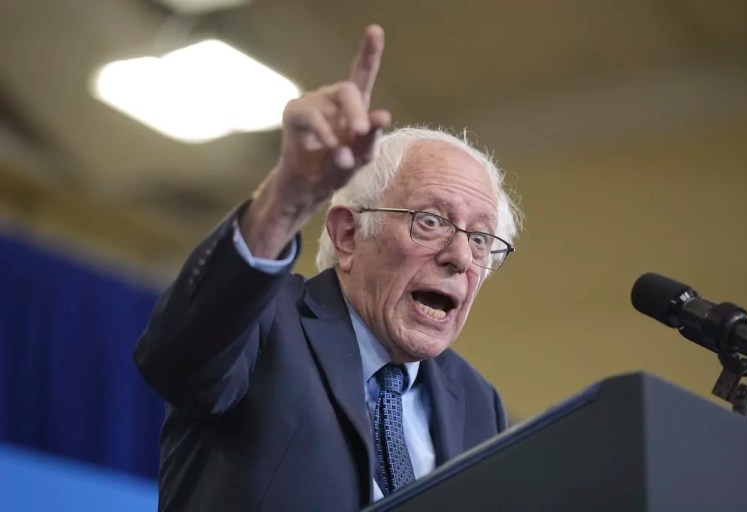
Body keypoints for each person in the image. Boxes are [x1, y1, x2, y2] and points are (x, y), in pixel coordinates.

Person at [133, 24, 522, 512]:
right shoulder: (265, 323)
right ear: (347, 236)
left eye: (482, 239)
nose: (461, 256)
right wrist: (286, 196)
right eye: (430, 221)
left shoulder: (478, 401)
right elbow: (177, 359)